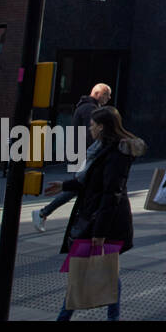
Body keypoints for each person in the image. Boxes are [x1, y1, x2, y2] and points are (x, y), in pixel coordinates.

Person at [47, 106, 146, 321]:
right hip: (98, 218)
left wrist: (99, 233)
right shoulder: (102, 148)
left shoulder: (117, 152)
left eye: (92, 125)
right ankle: (112, 318)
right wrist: (64, 186)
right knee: (103, 272)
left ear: (101, 127)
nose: (90, 128)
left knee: (85, 273)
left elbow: (111, 193)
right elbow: (92, 182)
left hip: (104, 222)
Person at [33, 82, 111, 232]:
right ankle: (43, 212)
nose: (109, 98)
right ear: (98, 94)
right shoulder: (90, 109)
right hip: (84, 155)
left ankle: (48, 213)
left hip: (80, 154)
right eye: (107, 94)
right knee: (78, 187)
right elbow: (92, 135)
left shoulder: (85, 107)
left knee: (80, 187)